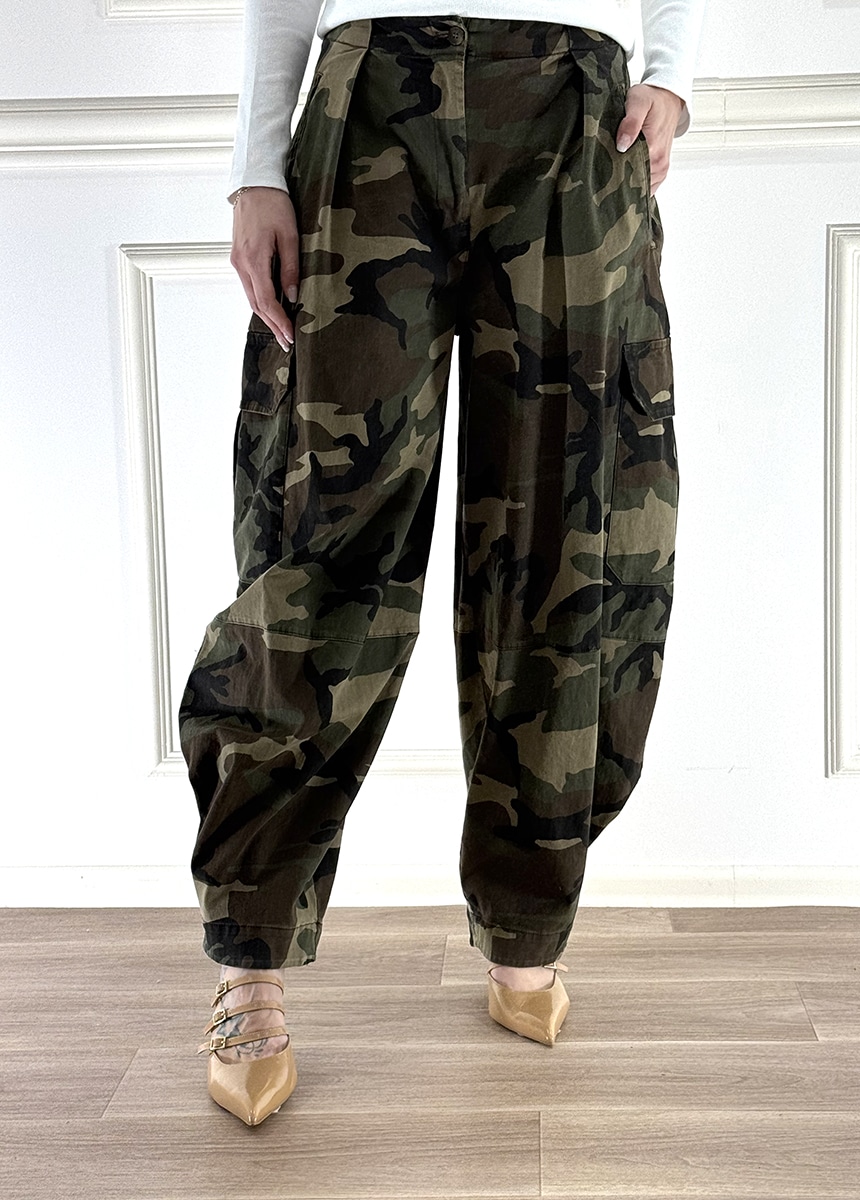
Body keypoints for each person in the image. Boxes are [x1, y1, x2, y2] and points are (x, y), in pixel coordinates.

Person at [180, 0, 706, 1125]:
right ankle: (250, 953)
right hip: (371, 97)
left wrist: (674, 69)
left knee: (569, 535)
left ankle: (527, 921)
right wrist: (255, 167)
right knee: (320, 543)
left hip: (577, 111)